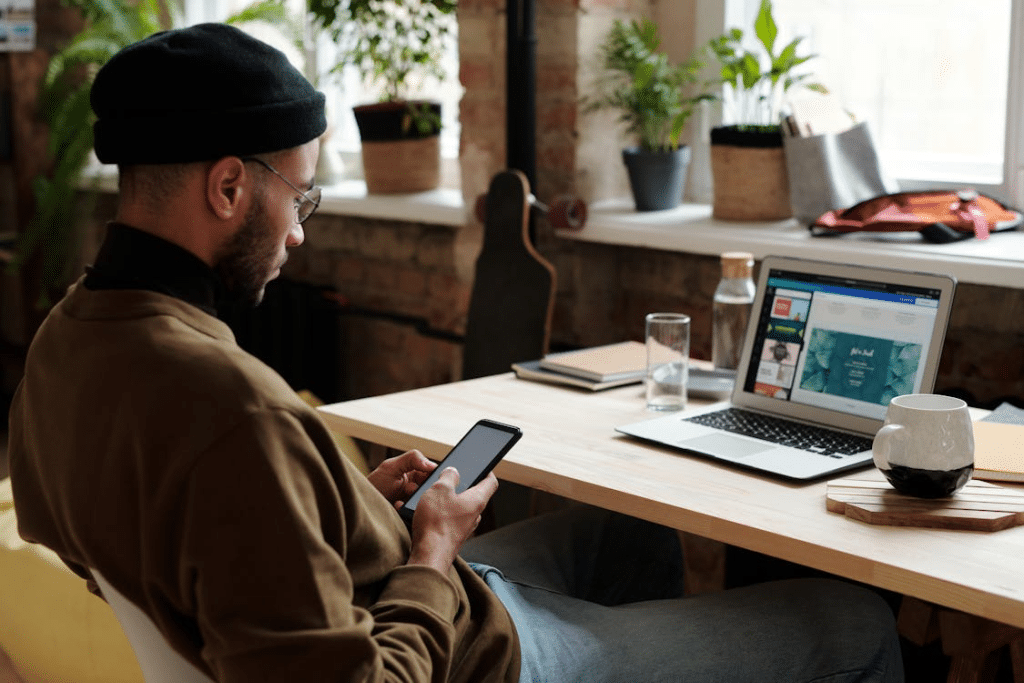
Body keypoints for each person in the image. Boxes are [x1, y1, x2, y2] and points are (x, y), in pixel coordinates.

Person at [8, 23, 904, 683]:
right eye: (302, 198)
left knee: (632, 533)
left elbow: (170, 531)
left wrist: (332, 505)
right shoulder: (234, 409)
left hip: (381, 597)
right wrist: (431, 547)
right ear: (231, 185)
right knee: (852, 617)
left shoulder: (63, 342)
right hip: (463, 653)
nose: (299, 237)